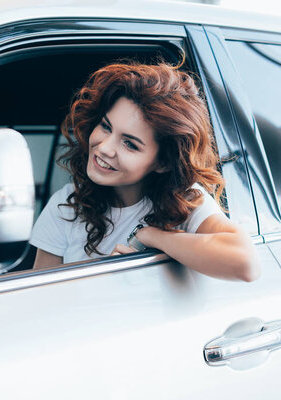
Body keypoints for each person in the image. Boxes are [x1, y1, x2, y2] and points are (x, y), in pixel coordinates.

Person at [30, 61, 260, 281]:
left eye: (130, 144)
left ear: (163, 162)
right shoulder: (67, 204)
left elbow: (246, 263)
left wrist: (152, 236)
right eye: (106, 127)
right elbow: (41, 301)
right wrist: (102, 280)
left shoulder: (185, 202)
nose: (104, 148)